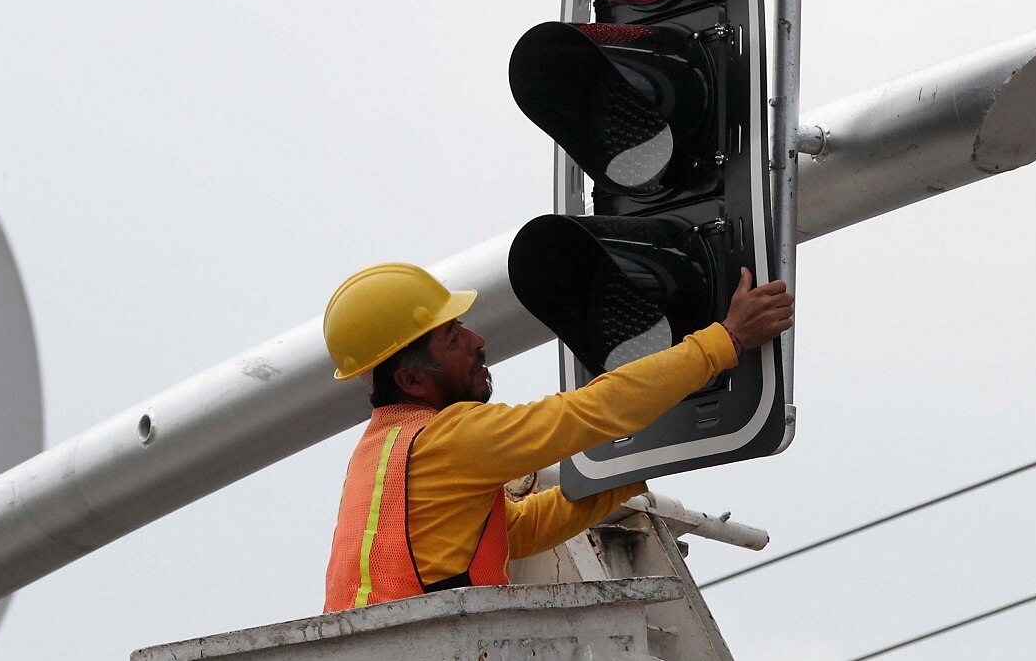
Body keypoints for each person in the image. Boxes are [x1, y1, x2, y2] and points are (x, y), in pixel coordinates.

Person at [322, 261, 793, 612]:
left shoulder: (379, 451)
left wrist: (623, 476)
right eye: (451, 337)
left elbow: (516, 533)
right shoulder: (451, 438)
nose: (477, 339)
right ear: (411, 381)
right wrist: (726, 340)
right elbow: (593, 411)